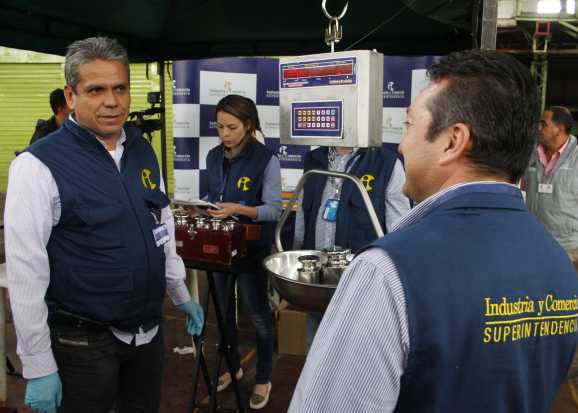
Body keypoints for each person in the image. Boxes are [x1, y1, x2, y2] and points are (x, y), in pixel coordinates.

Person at [289, 50, 578, 412]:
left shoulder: (386, 273)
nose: (402, 144)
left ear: (452, 141)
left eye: (409, 126)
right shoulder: (561, 268)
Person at [5, 37, 203, 413]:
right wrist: (38, 364)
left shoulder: (142, 149)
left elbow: (161, 226)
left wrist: (180, 293)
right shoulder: (37, 166)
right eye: (96, 90)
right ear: (71, 95)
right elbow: (26, 272)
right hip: (83, 345)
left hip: (147, 335)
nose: (112, 101)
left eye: (120, 88)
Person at [202, 94, 281, 410]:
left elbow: (273, 210)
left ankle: (263, 377)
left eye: (231, 127)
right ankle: (233, 367)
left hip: (251, 250)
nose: (224, 134)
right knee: (222, 315)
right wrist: (203, 207)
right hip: (219, 248)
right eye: (219, 127)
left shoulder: (266, 159)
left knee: (259, 316)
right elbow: (212, 195)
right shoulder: (212, 156)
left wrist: (239, 209)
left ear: (248, 125)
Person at [293, 145, 410, 344]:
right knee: (316, 346)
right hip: (318, 280)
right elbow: (303, 213)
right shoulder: (314, 158)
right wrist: (297, 254)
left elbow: (398, 230)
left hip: (362, 281)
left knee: (357, 348)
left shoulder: (386, 163)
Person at [523, 106, 578, 262]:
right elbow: (524, 188)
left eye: (543, 124)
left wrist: (568, 218)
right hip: (532, 239)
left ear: (559, 129)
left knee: (557, 279)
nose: (538, 128)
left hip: (564, 244)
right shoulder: (532, 157)